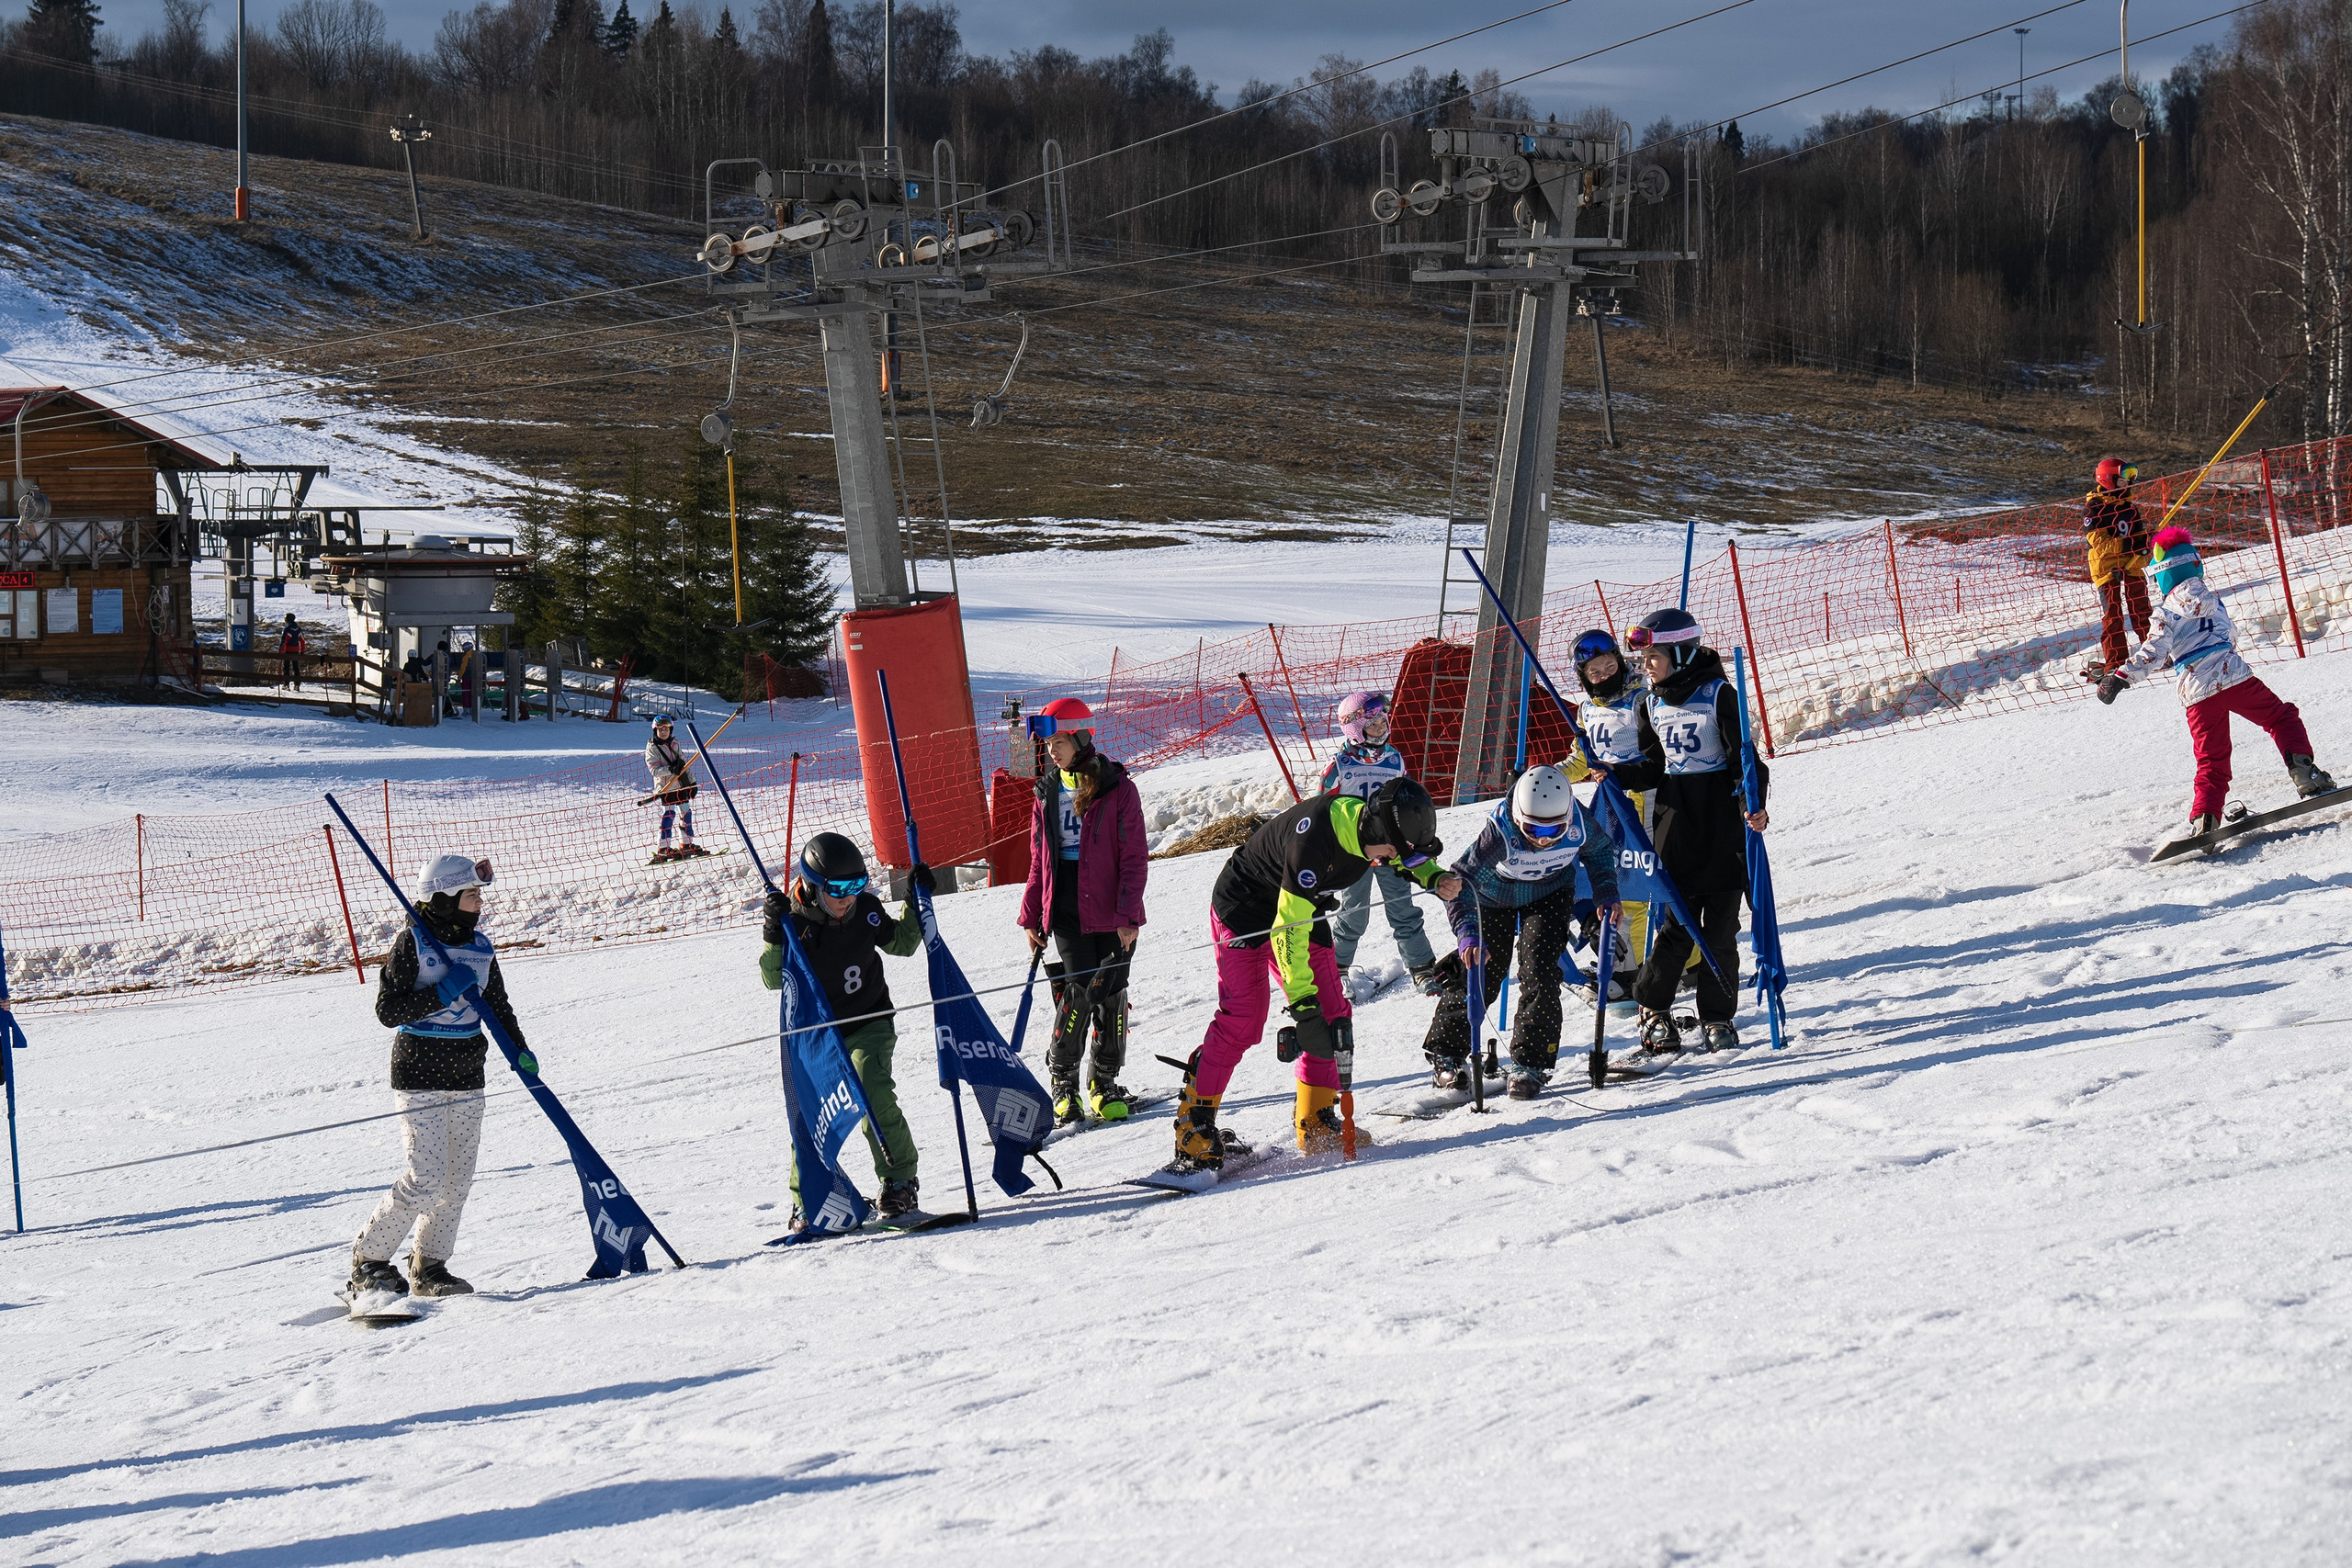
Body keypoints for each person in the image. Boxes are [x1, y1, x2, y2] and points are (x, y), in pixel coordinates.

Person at [1168, 778, 1460, 1177]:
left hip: (1300, 906)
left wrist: (1432, 876)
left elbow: (1402, 858)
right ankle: (1193, 1124)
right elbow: (1286, 930)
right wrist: (1301, 1002)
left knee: (1333, 1012)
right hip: (1245, 909)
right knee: (1245, 1018)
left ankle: (1315, 1118)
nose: (1395, 859)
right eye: (1393, 850)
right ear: (1378, 832)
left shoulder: (1371, 833)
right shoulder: (1314, 843)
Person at [1589, 608, 1769, 1055]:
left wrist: (1754, 805)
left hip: (1722, 825)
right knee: (1677, 927)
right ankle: (1653, 1009)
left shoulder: (1717, 694)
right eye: (1644, 656)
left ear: (1682, 653)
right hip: (1676, 823)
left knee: (1722, 930)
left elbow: (1744, 762)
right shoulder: (1651, 702)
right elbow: (1651, 766)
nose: (1644, 665)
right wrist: (1615, 775)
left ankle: (1717, 1016)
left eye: (1654, 656)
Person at [350, 852, 527, 1301]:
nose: (479, 904)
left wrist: (519, 1050)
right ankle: (368, 1262)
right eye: (471, 895)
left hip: (468, 1070)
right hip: (419, 1069)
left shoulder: (481, 947)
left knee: (457, 1180)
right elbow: (387, 1011)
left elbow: (499, 1005)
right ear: (444, 898)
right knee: (425, 1177)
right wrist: (440, 994)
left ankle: (430, 1266)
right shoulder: (414, 943)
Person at [2098, 525, 2336, 834]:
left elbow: (2152, 653)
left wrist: (2119, 678)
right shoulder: (2212, 600)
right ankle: (2306, 775)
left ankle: (2205, 818)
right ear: (2195, 565)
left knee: (2211, 759)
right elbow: (2228, 634)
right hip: (2233, 677)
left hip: (2196, 691)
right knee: (2281, 718)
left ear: (2161, 575)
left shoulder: (2165, 614)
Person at [1423, 764, 1620, 1098]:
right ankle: (1447, 1055)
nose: (1544, 839)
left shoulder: (1579, 825)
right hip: (1492, 897)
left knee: (1540, 970)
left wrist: (1605, 891)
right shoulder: (1499, 834)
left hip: (1548, 894)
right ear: (1517, 816)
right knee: (1483, 968)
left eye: (1554, 830)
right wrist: (1468, 932)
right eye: (1533, 829)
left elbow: (1599, 851)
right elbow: (1459, 883)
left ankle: (1531, 1063)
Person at [762, 833, 924, 1222]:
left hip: (869, 1021)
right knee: (810, 1111)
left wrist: (916, 901)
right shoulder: (794, 923)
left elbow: (903, 943)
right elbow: (772, 979)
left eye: (858, 885)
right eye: (839, 889)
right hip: (819, 1035)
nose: (849, 897)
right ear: (815, 887)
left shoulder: (865, 911)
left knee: (870, 1085)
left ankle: (900, 1181)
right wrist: (773, 932)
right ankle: (811, 1198)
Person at [1014, 696, 1148, 1126]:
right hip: (1067, 904)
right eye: (1047, 743)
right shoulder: (1047, 790)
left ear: (1081, 737)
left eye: (1058, 741)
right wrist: (1032, 915)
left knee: (1111, 993)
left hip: (1110, 904)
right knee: (1078, 992)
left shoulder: (1117, 787)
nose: (1051, 750)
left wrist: (1129, 915)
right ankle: (1064, 1082)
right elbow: (1039, 859)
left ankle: (1104, 1082)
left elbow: (1133, 856)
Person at [1319, 692, 1440, 999]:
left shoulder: (1394, 759)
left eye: (1382, 720)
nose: (1380, 726)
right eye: (1371, 722)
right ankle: (1336, 972)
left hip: (1391, 850)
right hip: (1354, 853)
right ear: (1353, 727)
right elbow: (1322, 810)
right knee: (1353, 914)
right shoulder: (1339, 766)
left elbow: (1407, 799)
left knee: (1403, 910)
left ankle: (1422, 968)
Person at [1559, 628, 1649, 1002]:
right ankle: (1631, 965)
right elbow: (1583, 759)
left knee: (1645, 887)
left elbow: (1659, 755)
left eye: (1609, 665)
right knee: (1619, 887)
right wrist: (1548, 777)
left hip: (1647, 799)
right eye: (1594, 672)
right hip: (1611, 805)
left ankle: (1641, 970)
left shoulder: (1642, 700)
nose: (1604, 674)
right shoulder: (1587, 709)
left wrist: (1624, 769)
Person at [2084, 457, 2153, 678]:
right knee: (2113, 615)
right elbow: (2099, 543)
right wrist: (2132, 544)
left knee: (2141, 608)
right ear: (2109, 479)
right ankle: (2115, 661)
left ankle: (2154, 652)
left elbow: (2138, 533)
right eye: (2124, 479)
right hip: (2106, 567)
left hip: (2132, 563)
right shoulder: (2094, 508)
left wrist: (2146, 541)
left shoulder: (2130, 507)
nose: (2129, 483)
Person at [644, 715, 707, 863]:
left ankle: (686, 843)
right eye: (660, 729)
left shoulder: (674, 743)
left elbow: (684, 764)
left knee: (686, 813)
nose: (664, 732)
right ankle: (663, 848)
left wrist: (692, 783)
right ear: (655, 730)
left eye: (666, 729)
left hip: (681, 785)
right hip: (666, 787)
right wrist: (671, 769)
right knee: (669, 814)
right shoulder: (652, 747)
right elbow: (654, 770)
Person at [277, 614, 304, 691]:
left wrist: (280, 651)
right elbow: (302, 641)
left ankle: (286, 684)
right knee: (296, 667)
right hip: (296, 651)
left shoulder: (287, 629)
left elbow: (283, 641)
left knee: (286, 667)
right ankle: (297, 685)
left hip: (287, 651)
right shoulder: (298, 629)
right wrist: (302, 651)